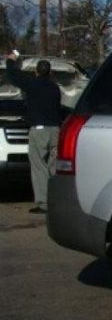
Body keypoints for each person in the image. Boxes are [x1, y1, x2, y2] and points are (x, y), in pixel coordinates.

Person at [5, 51, 62, 214]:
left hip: (40, 131)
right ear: (50, 72)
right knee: (54, 168)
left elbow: (12, 74)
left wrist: (11, 59)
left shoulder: (32, 84)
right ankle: (56, 201)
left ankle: (44, 204)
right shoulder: (55, 88)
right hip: (56, 131)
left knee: (39, 167)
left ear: (36, 72)